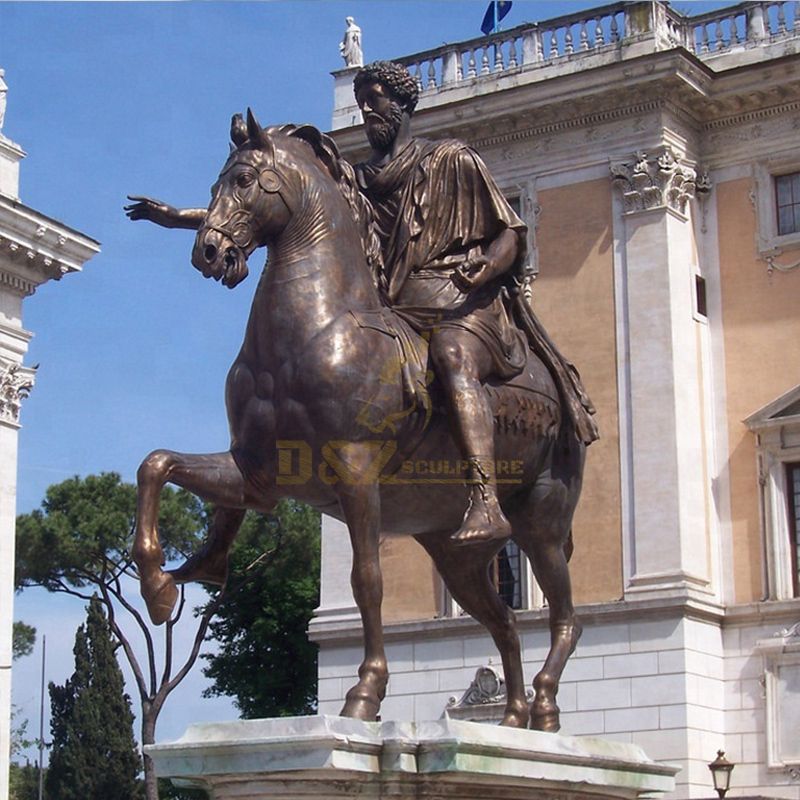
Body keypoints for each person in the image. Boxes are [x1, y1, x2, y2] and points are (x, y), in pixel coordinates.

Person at [352, 61, 598, 546]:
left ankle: (485, 500)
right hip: (399, 309)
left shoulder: (452, 159)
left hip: (464, 306)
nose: (365, 108)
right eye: (361, 99)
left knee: (450, 355)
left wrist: (485, 265)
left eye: (375, 97)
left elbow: (510, 232)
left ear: (401, 103)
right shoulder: (361, 181)